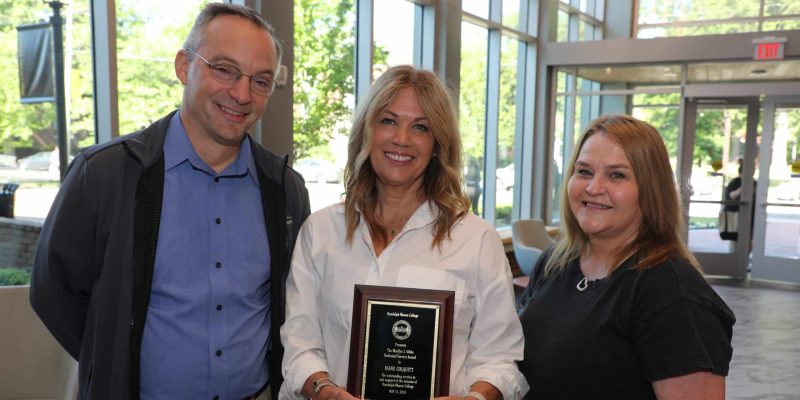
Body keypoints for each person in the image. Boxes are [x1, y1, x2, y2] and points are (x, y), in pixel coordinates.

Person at [29, 4, 310, 400]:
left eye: (261, 80)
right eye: (225, 69)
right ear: (183, 66)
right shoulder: (105, 175)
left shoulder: (284, 190)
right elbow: (53, 291)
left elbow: (292, 306)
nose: (242, 94)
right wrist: (113, 361)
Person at [279, 65, 528, 400]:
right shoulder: (321, 231)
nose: (402, 138)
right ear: (367, 130)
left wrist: (476, 398)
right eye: (388, 120)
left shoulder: (476, 240)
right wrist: (324, 391)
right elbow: (299, 340)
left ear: (438, 143)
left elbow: (499, 358)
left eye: (420, 127)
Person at [516, 115, 735, 399]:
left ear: (650, 191)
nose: (593, 188)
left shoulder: (672, 292)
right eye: (584, 171)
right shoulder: (554, 262)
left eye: (616, 175)